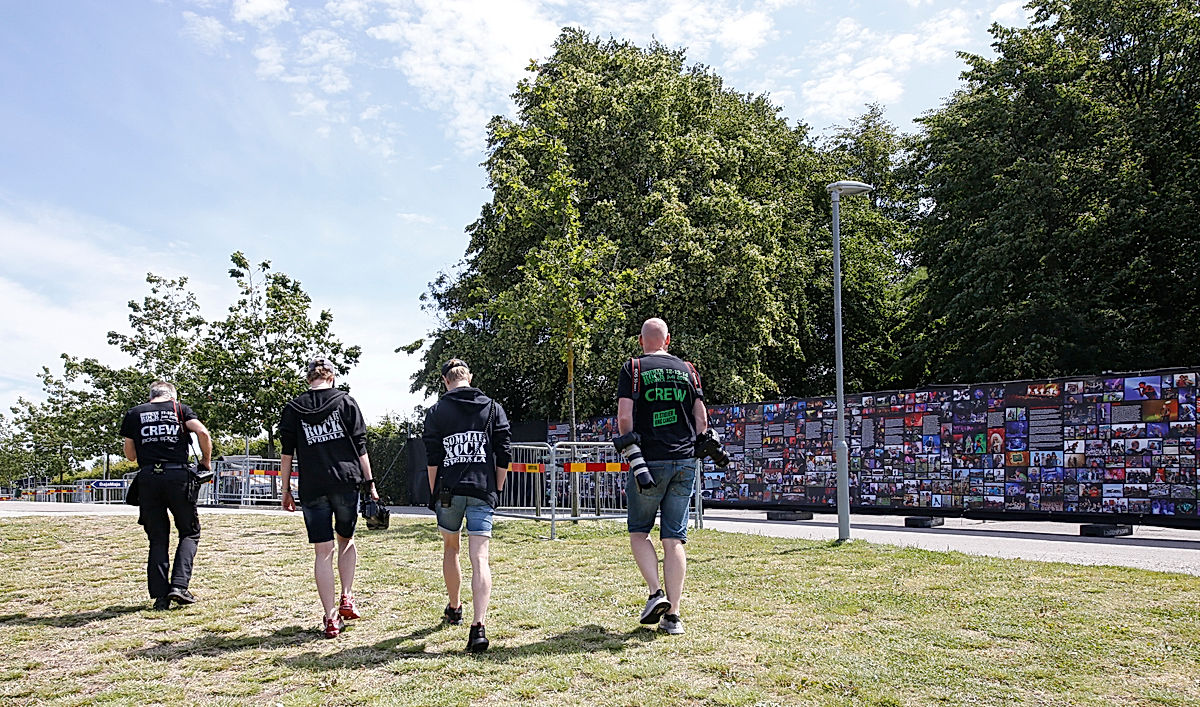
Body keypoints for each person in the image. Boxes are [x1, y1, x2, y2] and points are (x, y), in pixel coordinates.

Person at [616, 317, 706, 636]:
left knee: (639, 532)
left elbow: (625, 417)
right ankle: (674, 617)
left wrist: (631, 448)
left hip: (648, 462)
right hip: (684, 462)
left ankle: (656, 594)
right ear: (668, 340)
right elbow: (701, 419)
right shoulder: (688, 370)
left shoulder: (634, 368)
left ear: (642, 341)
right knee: (674, 539)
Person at [278, 356, 377, 639]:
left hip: (312, 487)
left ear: (309, 379)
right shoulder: (346, 402)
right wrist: (370, 484)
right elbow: (361, 448)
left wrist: (285, 490)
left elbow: (288, 454)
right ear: (332, 377)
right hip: (346, 482)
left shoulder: (293, 408)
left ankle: (331, 618)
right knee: (346, 540)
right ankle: (347, 596)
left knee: (323, 552)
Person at [423, 358, 511, 653]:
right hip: (482, 488)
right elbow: (504, 452)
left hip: (448, 489)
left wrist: (433, 492)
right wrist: (496, 487)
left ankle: (454, 606)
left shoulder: (436, 411)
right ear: (468, 377)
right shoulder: (492, 407)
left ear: (446, 381)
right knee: (480, 557)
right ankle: (479, 626)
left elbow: (433, 457)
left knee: (451, 548)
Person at [120, 380, 212, 610]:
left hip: (149, 479)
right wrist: (205, 462)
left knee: (158, 537)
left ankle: (161, 597)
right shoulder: (179, 409)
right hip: (177, 476)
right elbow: (202, 431)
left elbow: (130, 455)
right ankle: (179, 587)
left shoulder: (134, 413)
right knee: (189, 532)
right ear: (172, 396)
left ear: (151, 395)